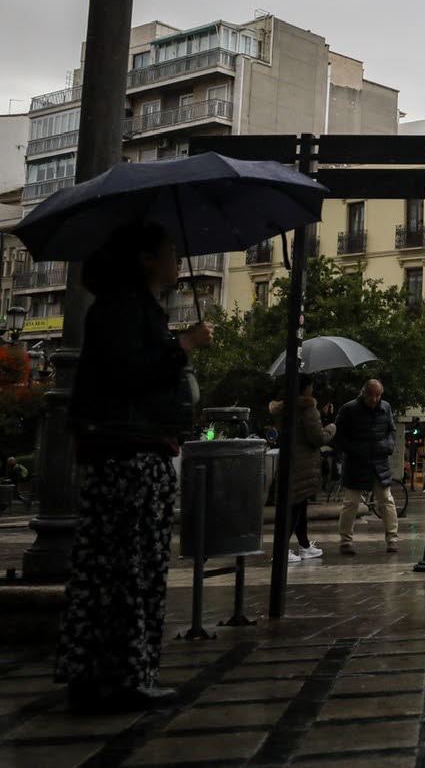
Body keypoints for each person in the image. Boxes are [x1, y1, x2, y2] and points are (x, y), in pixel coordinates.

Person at [58, 222, 214, 712]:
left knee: (114, 568)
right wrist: (183, 346)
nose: (174, 260)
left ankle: (98, 674)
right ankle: (126, 675)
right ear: (147, 260)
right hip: (131, 452)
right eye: (169, 252)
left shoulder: (126, 306)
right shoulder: (126, 307)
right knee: (132, 568)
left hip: (128, 449)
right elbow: (131, 373)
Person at [268, 373, 335, 563]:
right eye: (311, 386)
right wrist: (331, 427)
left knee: (299, 505)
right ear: (305, 388)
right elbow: (317, 438)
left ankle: (305, 545)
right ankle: (281, 550)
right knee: (295, 508)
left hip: (289, 460)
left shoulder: (284, 408)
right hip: (304, 464)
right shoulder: (307, 408)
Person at [334, 379, 399, 554]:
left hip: (378, 461)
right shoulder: (349, 409)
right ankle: (346, 541)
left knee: (386, 501)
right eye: (371, 395)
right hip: (357, 462)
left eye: (378, 395)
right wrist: (355, 450)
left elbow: (391, 430)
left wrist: (388, 446)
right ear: (363, 392)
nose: (374, 399)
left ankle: (392, 538)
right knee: (351, 503)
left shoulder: (385, 407)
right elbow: (339, 436)